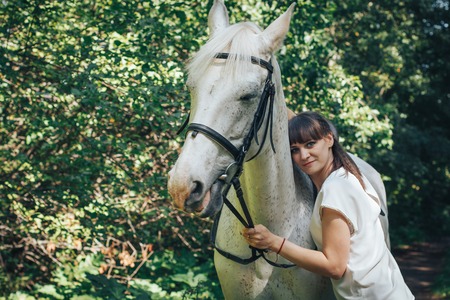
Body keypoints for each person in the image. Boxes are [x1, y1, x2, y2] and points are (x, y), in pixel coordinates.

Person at [242, 111, 414, 299]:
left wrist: (273, 242)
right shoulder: (351, 175)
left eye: (310, 144)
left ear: (329, 139)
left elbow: (334, 266)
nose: (304, 155)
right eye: (294, 150)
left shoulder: (335, 190)